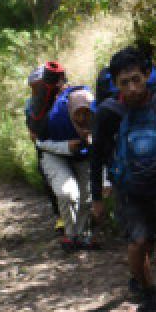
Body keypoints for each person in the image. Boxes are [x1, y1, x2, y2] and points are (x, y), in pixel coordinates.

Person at [90, 46, 156, 312]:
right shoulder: (108, 114)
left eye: (137, 79)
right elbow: (97, 157)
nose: (133, 88)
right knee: (137, 241)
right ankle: (150, 293)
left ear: (147, 75)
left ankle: (138, 275)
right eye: (124, 83)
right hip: (127, 189)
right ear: (114, 84)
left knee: (149, 240)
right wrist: (97, 199)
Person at [36, 86, 99, 252]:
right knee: (67, 193)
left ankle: (83, 234)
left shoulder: (99, 118)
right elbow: (40, 143)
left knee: (87, 195)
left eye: (87, 113)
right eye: (78, 113)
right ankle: (71, 235)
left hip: (83, 155)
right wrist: (67, 146)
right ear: (70, 110)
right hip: (53, 152)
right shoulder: (54, 119)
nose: (83, 118)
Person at [26, 61, 68, 231]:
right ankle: (60, 216)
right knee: (49, 181)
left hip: (66, 143)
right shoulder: (32, 104)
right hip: (45, 147)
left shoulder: (66, 94)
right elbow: (32, 132)